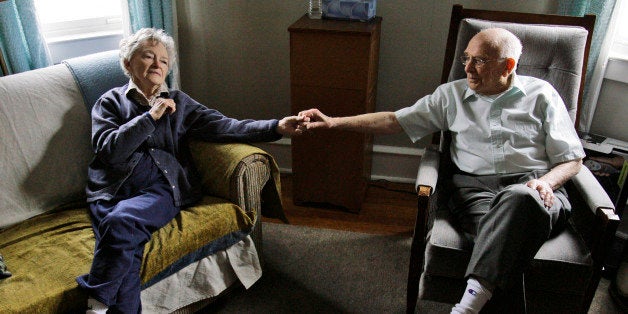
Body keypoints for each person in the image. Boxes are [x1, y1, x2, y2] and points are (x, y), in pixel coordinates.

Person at [299, 28, 584, 313]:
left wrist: (546, 182)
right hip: (476, 190)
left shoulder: (542, 94)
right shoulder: (451, 96)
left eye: (480, 60)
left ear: (508, 65)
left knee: (519, 203)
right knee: (507, 244)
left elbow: (572, 158)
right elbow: (394, 121)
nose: (468, 69)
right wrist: (334, 122)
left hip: (536, 190)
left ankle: (467, 307)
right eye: (466, 58)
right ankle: (470, 305)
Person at [76, 28, 304, 313]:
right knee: (128, 254)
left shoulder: (180, 103)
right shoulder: (109, 102)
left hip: (160, 188)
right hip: (110, 190)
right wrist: (150, 116)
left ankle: (96, 304)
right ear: (127, 64)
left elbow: (226, 126)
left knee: (119, 224)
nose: (158, 64)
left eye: (164, 60)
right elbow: (109, 151)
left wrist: (275, 127)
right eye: (148, 56)